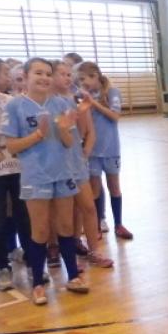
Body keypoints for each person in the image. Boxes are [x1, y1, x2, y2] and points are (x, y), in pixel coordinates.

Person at [2, 58, 90, 305]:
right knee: (40, 230)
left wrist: (63, 129)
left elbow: (70, 142)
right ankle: (38, 284)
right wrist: (38, 135)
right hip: (36, 176)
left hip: (62, 173)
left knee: (66, 227)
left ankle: (73, 277)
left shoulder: (60, 103)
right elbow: (12, 147)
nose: (44, 78)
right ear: (26, 76)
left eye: (48, 74)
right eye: (38, 73)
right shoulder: (15, 106)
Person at [50, 61, 113, 268]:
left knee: (89, 207)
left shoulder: (74, 100)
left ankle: (94, 251)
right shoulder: (47, 104)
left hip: (76, 163)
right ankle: (66, 256)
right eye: (62, 74)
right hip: (57, 165)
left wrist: (83, 111)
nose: (67, 78)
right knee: (64, 216)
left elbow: (85, 132)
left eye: (69, 74)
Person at [77, 62, 133, 240]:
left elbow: (115, 116)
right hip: (93, 151)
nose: (82, 83)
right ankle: (96, 226)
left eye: (84, 79)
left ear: (95, 76)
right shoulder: (82, 96)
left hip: (111, 149)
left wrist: (93, 103)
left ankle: (119, 224)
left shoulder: (112, 92)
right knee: (94, 189)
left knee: (114, 187)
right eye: (80, 80)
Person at [0, 58, 29, 291]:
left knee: (24, 217)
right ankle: (2, 267)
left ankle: (33, 262)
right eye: (4, 73)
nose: (8, 77)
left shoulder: (11, 101)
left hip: (17, 167)